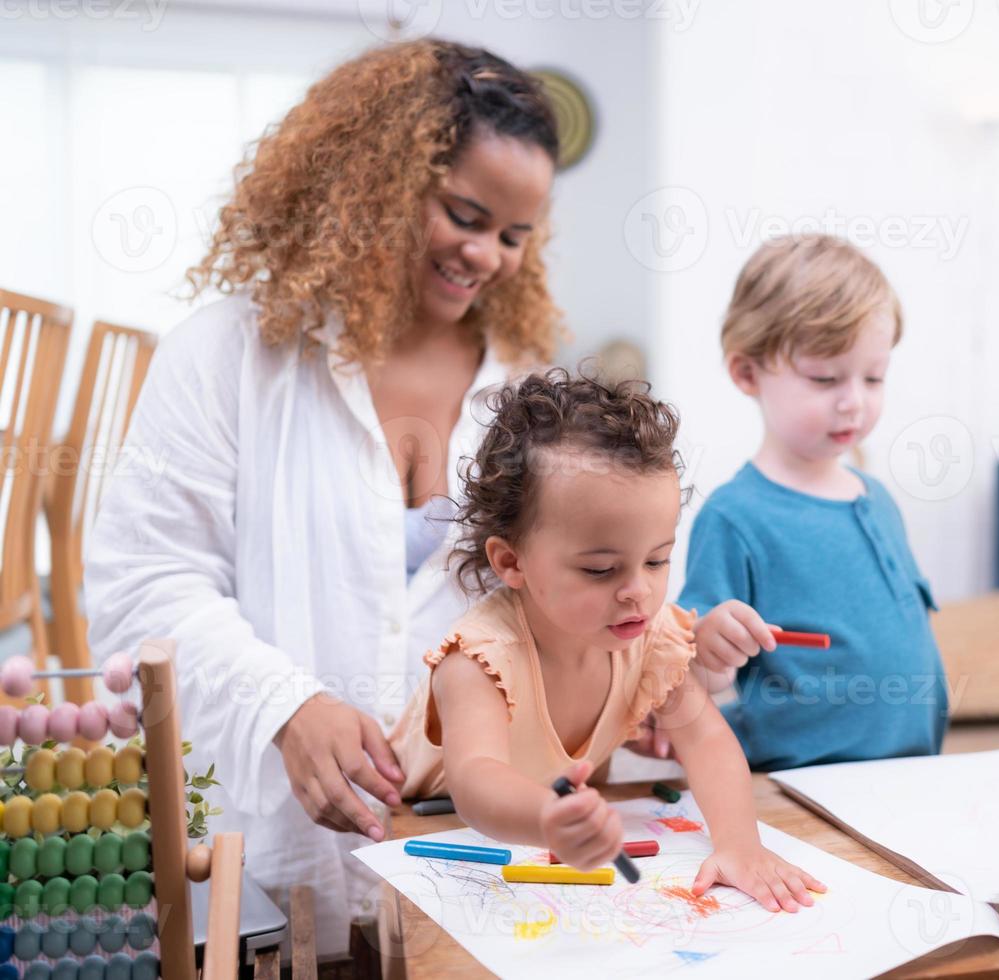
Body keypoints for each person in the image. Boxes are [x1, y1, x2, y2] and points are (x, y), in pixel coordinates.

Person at [85, 39, 562, 956]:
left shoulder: (527, 392)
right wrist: (285, 707)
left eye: (513, 235)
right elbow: (142, 587)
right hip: (266, 880)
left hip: (466, 877)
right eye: (464, 214)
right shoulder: (230, 354)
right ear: (375, 181)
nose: (485, 255)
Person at [389, 370, 827, 912]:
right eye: (601, 570)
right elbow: (477, 781)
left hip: (545, 851)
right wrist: (547, 818)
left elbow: (708, 743)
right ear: (511, 561)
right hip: (427, 838)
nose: (638, 592)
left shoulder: (651, 641)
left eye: (657, 559)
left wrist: (741, 846)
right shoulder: (479, 658)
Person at [672, 234, 949, 771]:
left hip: (911, 772)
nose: (855, 402)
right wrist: (708, 651)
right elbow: (691, 680)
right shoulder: (735, 517)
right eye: (825, 377)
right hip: (795, 782)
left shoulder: (880, 500)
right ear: (747, 372)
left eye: (874, 377)